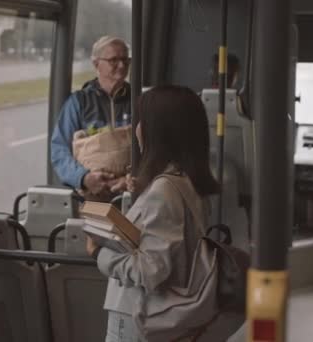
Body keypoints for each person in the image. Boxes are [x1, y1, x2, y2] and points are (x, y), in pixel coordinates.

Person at [86, 85, 220, 341]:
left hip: (138, 314)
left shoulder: (164, 191)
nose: (136, 130)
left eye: (142, 121)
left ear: (159, 131)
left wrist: (98, 253)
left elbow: (150, 270)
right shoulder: (187, 182)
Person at [51, 36, 132, 200]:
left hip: (130, 196)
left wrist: (132, 178)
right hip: (90, 196)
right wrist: (83, 178)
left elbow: (152, 148)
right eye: (114, 60)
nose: (122, 65)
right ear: (96, 64)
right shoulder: (78, 102)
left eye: (125, 60)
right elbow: (60, 151)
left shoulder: (138, 100)